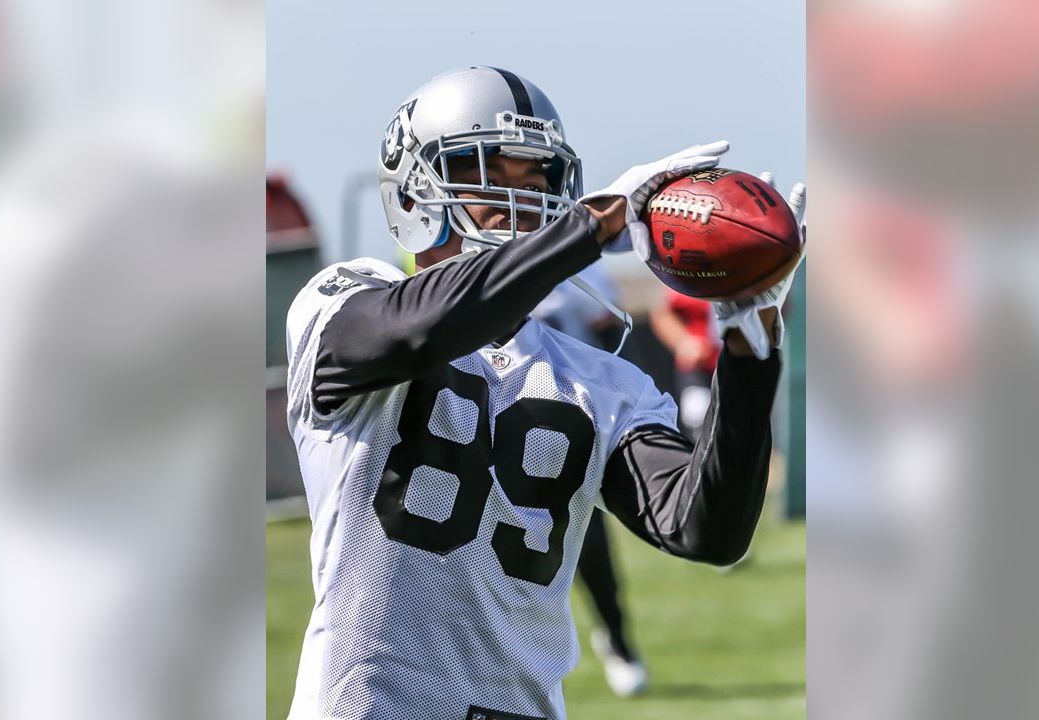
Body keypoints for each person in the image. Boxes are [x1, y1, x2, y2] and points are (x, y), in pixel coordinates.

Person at [284, 66, 801, 720]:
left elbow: (705, 528)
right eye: (489, 179)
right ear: (415, 192)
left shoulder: (598, 379)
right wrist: (588, 228)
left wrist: (750, 351)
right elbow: (413, 334)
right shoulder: (345, 299)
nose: (519, 205)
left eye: (536, 184)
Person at [530, 266, 647, 697]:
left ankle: (617, 639)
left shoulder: (577, 269)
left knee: (591, 549)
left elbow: (605, 321)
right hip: (497, 432)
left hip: (572, 430)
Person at [650, 287, 721, 439]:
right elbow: (662, 312)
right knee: (698, 415)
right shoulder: (693, 280)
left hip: (737, 366)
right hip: (698, 368)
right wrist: (683, 341)